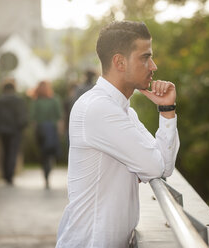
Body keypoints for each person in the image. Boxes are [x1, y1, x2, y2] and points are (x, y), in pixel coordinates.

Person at [56, 21, 180, 248]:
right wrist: (155, 162)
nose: (153, 66)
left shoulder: (125, 112)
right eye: (145, 57)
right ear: (119, 62)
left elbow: (165, 167)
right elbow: (154, 167)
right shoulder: (99, 109)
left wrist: (167, 111)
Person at [0, 78, 27, 185]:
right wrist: (21, 127)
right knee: (12, 153)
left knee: (5, 152)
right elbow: (22, 116)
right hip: (15, 131)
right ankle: (10, 176)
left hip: (3, 131)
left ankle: (5, 175)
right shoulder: (18, 100)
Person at [30, 80, 62, 189]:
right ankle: (47, 173)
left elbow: (33, 118)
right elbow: (59, 117)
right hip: (51, 130)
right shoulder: (54, 100)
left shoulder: (36, 101)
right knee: (50, 153)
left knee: (43, 154)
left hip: (41, 131)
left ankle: (46, 174)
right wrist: (60, 130)